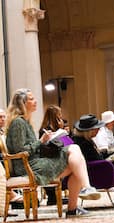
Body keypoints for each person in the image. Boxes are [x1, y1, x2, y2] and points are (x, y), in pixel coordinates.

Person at [5, 88, 101, 218]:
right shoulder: (18, 122)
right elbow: (21, 150)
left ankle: (74, 206)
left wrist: (48, 140)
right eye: (31, 99)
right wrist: (41, 141)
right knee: (74, 150)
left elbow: (31, 148)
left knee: (75, 154)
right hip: (27, 167)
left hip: (35, 162)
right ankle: (86, 188)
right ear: (22, 103)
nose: (35, 101)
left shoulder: (25, 122)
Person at [39, 105, 69, 205]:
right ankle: (53, 196)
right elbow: (54, 146)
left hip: (55, 155)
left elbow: (69, 143)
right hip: (50, 157)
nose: (61, 118)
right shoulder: (45, 130)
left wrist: (64, 132)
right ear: (54, 116)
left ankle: (55, 196)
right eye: (59, 115)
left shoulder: (55, 129)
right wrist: (62, 131)